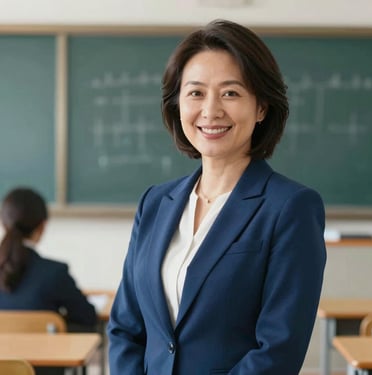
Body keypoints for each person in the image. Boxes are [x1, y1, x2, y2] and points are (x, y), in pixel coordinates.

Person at [107, 19, 326, 375]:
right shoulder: (154, 203)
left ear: (261, 108)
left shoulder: (291, 208)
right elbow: (125, 330)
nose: (211, 111)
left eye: (231, 93)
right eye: (195, 93)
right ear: (177, 104)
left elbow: (278, 350)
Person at [0, 187, 97, 329]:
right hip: (43, 351)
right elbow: (88, 317)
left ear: (3, 223)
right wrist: (56, 324)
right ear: (42, 226)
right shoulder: (54, 273)